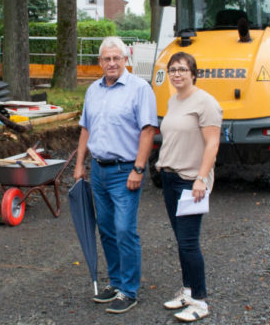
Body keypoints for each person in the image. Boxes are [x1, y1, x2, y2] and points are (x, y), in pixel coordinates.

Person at [73, 36, 157, 314]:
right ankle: (116, 282)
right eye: (106, 59)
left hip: (125, 172)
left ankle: (129, 291)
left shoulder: (139, 89)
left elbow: (148, 130)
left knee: (124, 230)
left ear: (126, 60)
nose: (111, 63)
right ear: (100, 62)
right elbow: (86, 128)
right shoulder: (93, 91)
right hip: (98, 170)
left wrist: (139, 168)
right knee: (107, 230)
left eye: (116, 58)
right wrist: (79, 165)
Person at [154, 52, 221, 322]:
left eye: (182, 69)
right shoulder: (173, 100)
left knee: (189, 243)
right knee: (181, 241)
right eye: (173, 69)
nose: (177, 73)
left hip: (190, 181)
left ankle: (200, 301)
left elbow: (213, 144)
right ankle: (188, 290)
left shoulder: (206, 103)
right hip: (170, 179)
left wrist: (201, 179)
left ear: (194, 73)